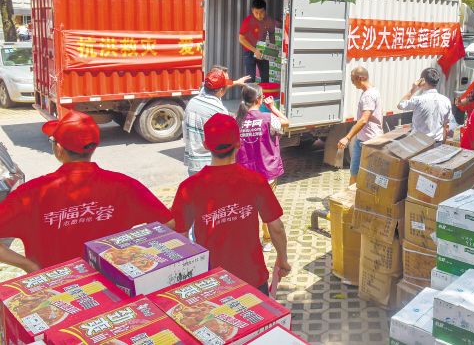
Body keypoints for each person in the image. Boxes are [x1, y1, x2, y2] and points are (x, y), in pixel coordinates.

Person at [0, 110, 171, 272]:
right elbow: (171, 224)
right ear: (93, 147)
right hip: (113, 285)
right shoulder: (124, 186)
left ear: (58, 149)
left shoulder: (29, 194)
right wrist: (134, 250)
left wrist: (28, 266)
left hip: (54, 290)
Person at [170, 114, 290, 294]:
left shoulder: (189, 187)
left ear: (205, 145)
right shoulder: (255, 181)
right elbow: (276, 227)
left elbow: (179, 234)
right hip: (252, 277)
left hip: (211, 280)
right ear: (238, 144)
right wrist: (282, 258)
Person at [236, 84, 290, 252]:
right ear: (259, 99)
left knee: (248, 208)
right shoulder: (268, 118)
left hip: (244, 173)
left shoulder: (237, 120)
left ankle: (247, 238)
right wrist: (272, 107)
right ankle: (267, 240)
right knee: (266, 208)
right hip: (266, 173)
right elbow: (286, 122)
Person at [184, 66, 249, 176]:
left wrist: (237, 82)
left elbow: (223, 86)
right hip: (208, 164)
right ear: (221, 90)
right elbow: (226, 141)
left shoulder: (193, 101)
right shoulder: (218, 110)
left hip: (193, 163)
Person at [337, 67, 383, 185]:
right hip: (363, 139)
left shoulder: (368, 95)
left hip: (369, 141)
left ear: (360, 78)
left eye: (353, 80)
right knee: (355, 172)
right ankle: (351, 198)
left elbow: (363, 120)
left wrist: (347, 137)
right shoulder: (372, 91)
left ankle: (354, 199)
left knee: (361, 174)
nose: (352, 83)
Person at [397, 67, 453, 142]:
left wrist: (413, 89)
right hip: (437, 143)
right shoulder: (446, 100)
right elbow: (446, 126)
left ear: (422, 80)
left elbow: (400, 105)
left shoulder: (418, 100)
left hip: (419, 143)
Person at [239, 0, 278, 83]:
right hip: (249, 52)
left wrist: (272, 49)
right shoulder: (248, 21)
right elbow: (241, 39)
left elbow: (271, 33)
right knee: (250, 78)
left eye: (261, 12)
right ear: (252, 11)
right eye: (256, 12)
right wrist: (255, 50)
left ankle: (264, 95)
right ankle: (249, 96)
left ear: (265, 10)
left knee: (265, 77)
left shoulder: (269, 21)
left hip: (262, 51)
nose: (259, 15)